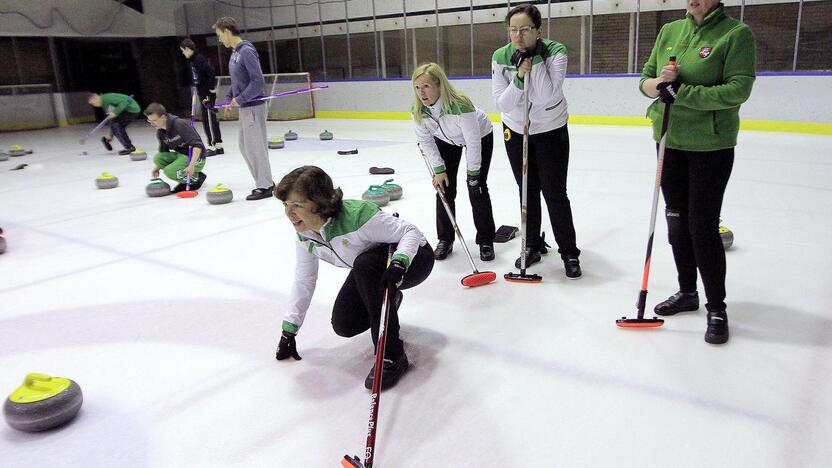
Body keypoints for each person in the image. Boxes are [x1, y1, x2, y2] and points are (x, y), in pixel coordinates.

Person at [640, 0, 755, 344]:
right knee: (675, 221)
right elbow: (645, 79)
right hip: (668, 139)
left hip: (710, 145)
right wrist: (659, 85)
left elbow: (738, 90)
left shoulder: (735, 34)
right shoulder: (670, 31)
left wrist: (681, 92)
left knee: (701, 226)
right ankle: (687, 291)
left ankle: (716, 307)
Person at [275, 166, 434, 390]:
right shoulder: (305, 235)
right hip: (371, 270)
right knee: (345, 325)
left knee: (365, 265)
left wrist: (400, 261)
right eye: (285, 205)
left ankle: (391, 355)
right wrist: (289, 329)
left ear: (319, 202)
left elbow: (411, 233)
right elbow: (304, 279)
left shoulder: (358, 217)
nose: (289, 214)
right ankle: (387, 301)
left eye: (297, 206)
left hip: (415, 259)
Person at [491, 3, 582, 279]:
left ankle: (569, 252)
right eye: (513, 30)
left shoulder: (556, 52)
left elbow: (545, 96)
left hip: (550, 129)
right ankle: (531, 245)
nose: (518, 36)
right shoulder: (500, 56)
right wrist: (519, 76)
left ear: (538, 30)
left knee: (555, 193)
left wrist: (535, 60)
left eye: (525, 30)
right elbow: (503, 103)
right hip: (516, 131)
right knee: (526, 191)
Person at [412, 62, 497, 262]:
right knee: (444, 188)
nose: (421, 93)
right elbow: (425, 140)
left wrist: (473, 174)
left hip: (479, 136)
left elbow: (473, 142)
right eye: (417, 87)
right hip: (445, 140)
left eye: (426, 86)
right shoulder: (419, 110)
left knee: (477, 188)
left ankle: (486, 240)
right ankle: (445, 239)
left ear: (439, 85)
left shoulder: (460, 105)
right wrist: (439, 169)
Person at [212, 16, 274, 201]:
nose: (219, 39)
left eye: (219, 35)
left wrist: (241, 98)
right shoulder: (235, 53)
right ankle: (265, 181)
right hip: (245, 108)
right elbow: (238, 81)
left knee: (255, 147)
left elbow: (258, 81)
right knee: (244, 146)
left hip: (254, 107)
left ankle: (265, 185)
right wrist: (231, 97)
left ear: (227, 31)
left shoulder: (246, 51)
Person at [144, 102, 208, 192]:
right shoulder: (161, 131)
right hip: (181, 155)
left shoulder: (179, 124)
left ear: (163, 117)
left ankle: (196, 179)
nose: (152, 124)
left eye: (154, 121)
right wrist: (157, 167)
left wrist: (192, 165)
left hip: (196, 157)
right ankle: (185, 173)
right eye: (149, 121)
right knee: (158, 158)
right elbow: (164, 152)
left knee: (169, 171)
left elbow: (197, 146)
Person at [180, 38, 223, 157]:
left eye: (183, 51)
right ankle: (217, 143)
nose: (183, 53)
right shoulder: (193, 60)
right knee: (207, 118)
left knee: (209, 119)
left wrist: (209, 89)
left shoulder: (199, 59)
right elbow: (198, 77)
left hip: (206, 94)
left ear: (188, 49)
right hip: (202, 92)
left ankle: (214, 145)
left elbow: (210, 73)